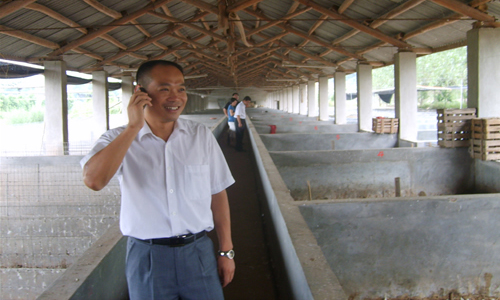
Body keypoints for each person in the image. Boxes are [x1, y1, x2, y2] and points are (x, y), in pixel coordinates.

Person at [80, 60, 235, 300]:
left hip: (197, 251)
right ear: (140, 93)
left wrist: (226, 251)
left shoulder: (200, 136)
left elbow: (217, 193)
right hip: (147, 256)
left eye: (180, 89)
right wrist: (134, 127)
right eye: (165, 89)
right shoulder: (117, 138)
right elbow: (94, 180)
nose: (176, 97)